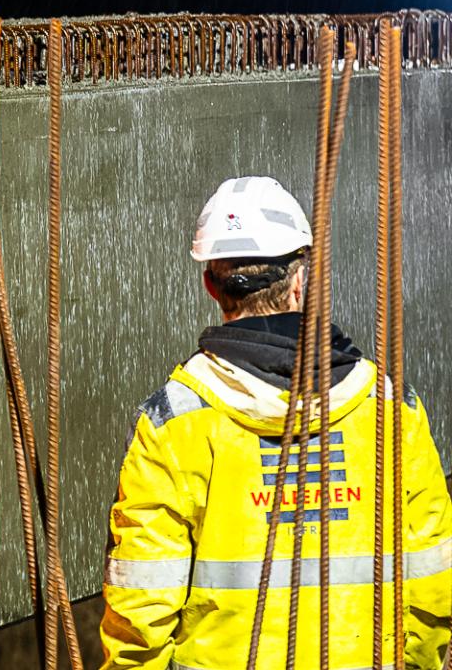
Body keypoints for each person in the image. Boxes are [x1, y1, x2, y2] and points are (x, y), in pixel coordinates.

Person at [101, 176, 452, 670]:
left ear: (209, 285)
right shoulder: (391, 409)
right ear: (301, 281)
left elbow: (142, 609)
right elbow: (435, 582)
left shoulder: (175, 422)